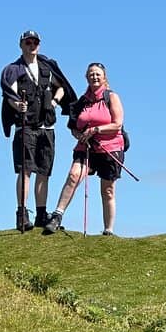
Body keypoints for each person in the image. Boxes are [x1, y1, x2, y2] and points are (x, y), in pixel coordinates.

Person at [0, 30, 77, 232]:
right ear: (21, 45)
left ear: (39, 45)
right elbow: (9, 93)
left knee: (44, 171)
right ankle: (22, 213)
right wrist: (18, 106)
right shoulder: (14, 69)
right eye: (28, 42)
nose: (31, 45)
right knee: (25, 170)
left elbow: (62, 87)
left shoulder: (47, 66)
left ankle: (41, 214)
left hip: (47, 126)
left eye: (35, 42)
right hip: (25, 126)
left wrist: (54, 100)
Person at [42, 62, 125, 236]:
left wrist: (96, 130)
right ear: (86, 77)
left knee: (107, 189)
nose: (94, 77)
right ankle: (57, 216)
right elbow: (73, 125)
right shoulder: (82, 101)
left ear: (104, 77)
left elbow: (117, 124)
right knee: (74, 176)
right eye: (91, 74)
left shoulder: (111, 97)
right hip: (85, 147)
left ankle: (108, 229)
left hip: (109, 147)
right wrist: (79, 135)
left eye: (98, 74)